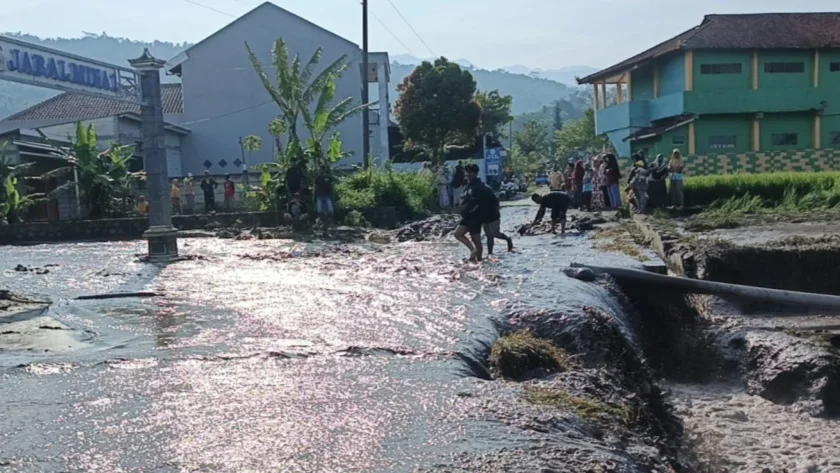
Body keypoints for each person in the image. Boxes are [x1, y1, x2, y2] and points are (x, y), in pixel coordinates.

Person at [454, 164, 484, 262]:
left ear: (475, 173)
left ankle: (479, 260)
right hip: (467, 215)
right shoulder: (468, 184)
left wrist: (472, 210)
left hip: (475, 217)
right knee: (458, 234)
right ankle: (473, 251)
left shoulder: (479, 186)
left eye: (470, 172)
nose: (467, 174)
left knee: (477, 240)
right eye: (467, 172)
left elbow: (480, 202)